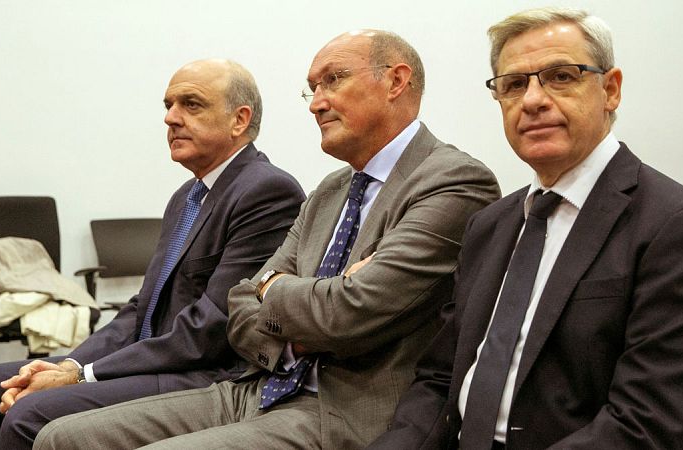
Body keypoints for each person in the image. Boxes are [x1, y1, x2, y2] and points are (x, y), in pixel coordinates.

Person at [32, 29, 501, 450]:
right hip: (259, 385)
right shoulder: (331, 190)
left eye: (333, 80)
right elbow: (240, 307)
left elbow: (348, 310)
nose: (316, 103)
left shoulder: (453, 181)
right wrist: (300, 305)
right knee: (61, 438)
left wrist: (275, 290)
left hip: (342, 409)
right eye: (313, 88)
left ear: (396, 81)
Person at [369, 7, 683, 449]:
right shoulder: (489, 225)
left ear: (610, 90)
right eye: (513, 84)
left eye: (561, 77)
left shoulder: (681, 228)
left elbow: (645, 425)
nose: (533, 100)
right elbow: (440, 378)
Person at [0, 58, 306, 450]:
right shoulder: (187, 196)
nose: (171, 118)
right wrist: (70, 364)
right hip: (151, 362)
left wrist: (84, 375)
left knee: (28, 415)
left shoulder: (267, 191)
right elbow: (141, 309)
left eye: (191, 104)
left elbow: (212, 329)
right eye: (169, 105)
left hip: (204, 373)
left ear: (239, 119)